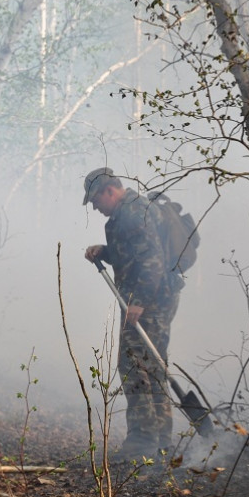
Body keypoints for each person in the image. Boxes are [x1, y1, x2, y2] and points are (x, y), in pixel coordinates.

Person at [83, 167, 183, 459]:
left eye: (96, 200)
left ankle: (143, 439)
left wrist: (139, 301)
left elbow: (152, 259)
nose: (95, 207)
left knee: (132, 363)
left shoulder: (135, 212)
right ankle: (160, 439)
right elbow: (132, 254)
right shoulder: (128, 213)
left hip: (150, 300)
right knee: (153, 365)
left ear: (109, 191)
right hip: (156, 298)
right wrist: (104, 252)